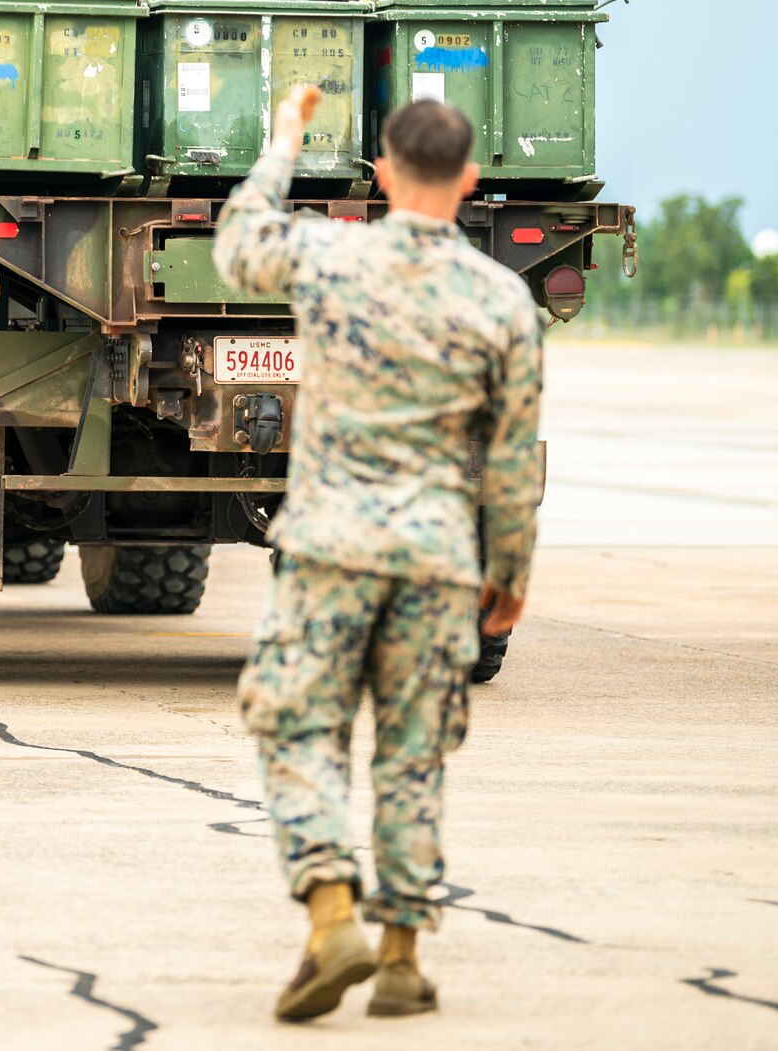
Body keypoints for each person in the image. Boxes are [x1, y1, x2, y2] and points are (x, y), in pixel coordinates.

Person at [212, 86, 541, 1022]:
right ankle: (401, 960)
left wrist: (282, 141)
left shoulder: (331, 254)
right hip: (439, 558)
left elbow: (239, 241)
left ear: (384, 174)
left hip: (329, 548)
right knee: (414, 752)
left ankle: (330, 918)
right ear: (470, 181)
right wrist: (508, 572)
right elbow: (512, 460)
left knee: (301, 729)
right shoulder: (501, 299)